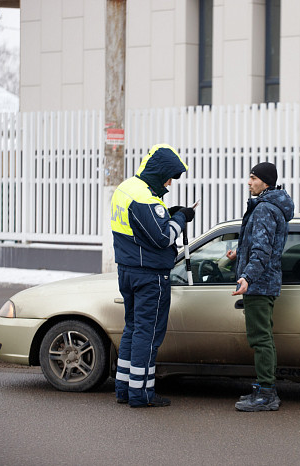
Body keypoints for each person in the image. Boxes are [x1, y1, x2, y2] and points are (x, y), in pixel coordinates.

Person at [110, 143, 195, 408]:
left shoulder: (126, 188)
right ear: (160, 173)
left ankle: (124, 388)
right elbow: (161, 237)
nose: (170, 183)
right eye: (169, 177)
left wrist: (169, 213)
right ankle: (142, 394)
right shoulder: (145, 198)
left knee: (133, 329)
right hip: (150, 276)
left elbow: (140, 227)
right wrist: (180, 219)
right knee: (148, 333)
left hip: (128, 270)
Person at [227, 161, 294, 412]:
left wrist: (247, 277)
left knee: (260, 339)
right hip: (264, 281)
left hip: (260, 283)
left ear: (265, 182)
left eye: (253, 178)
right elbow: (260, 243)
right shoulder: (271, 205)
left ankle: (267, 393)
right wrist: (239, 253)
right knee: (263, 337)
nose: (249, 182)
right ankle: (264, 387)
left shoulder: (265, 208)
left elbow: (263, 250)